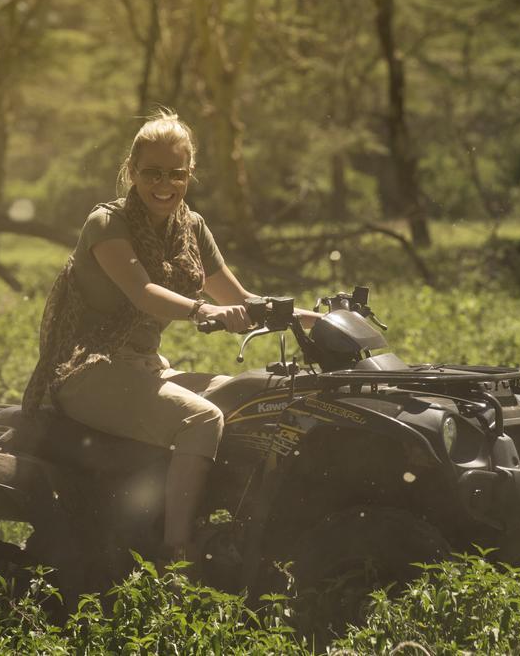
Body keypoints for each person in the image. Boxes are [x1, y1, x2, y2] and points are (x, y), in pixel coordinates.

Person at [21, 109, 313, 562]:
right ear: (132, 172)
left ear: (189, 174)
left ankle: (240, 526)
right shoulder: (107, 223)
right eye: (153, 172)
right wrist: (203, 310)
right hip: (89, 371)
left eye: (176, 173)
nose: (165, 184)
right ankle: (177, 551)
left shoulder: (191, 227)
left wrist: (315, 318)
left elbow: (241, 297)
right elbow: (144, 294)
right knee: (202, 419)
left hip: (144, 368)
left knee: (251, 395)